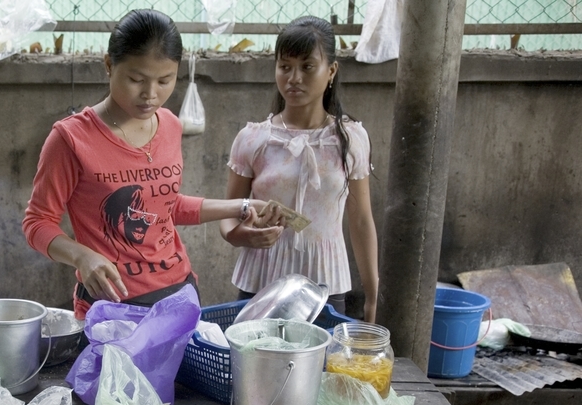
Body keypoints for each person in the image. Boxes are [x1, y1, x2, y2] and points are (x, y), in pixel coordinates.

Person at [21, 9, 280, 319]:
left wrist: (241, 206)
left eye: (165, 80)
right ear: (109, 65)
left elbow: (165, 206)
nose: (150, 95)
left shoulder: (170, 125)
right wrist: (82, 257)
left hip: (178, 293)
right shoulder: (71, 139)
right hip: (113, 305)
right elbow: (37, 222)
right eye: (136, 79)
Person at [219, 16, 379, 321]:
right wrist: (245, 235)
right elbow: (229, 215)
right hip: (261, 284)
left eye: (307, 67)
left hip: (325, 286)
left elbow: (361, 221)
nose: (294, 78)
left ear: (331, 71)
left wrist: (372, 295)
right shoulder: (253, 139)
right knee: (255, 353)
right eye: (285, 66)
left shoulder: (350, 140)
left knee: (322, 354)